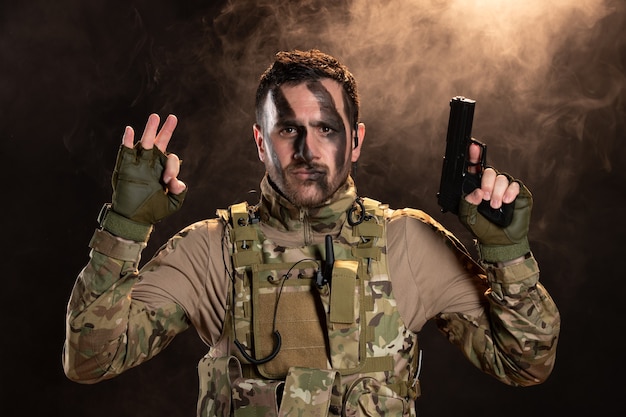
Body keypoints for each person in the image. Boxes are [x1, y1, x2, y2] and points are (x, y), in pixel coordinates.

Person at [63, 49, 560, 417]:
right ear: (260, 141)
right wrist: (124, 229)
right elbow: (90, 360)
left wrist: (507, 253)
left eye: (327, 128)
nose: (307, 148)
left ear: (356, 140)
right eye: (287, 129)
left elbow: (524, 364)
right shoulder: (209, 250)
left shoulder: (407, 244)